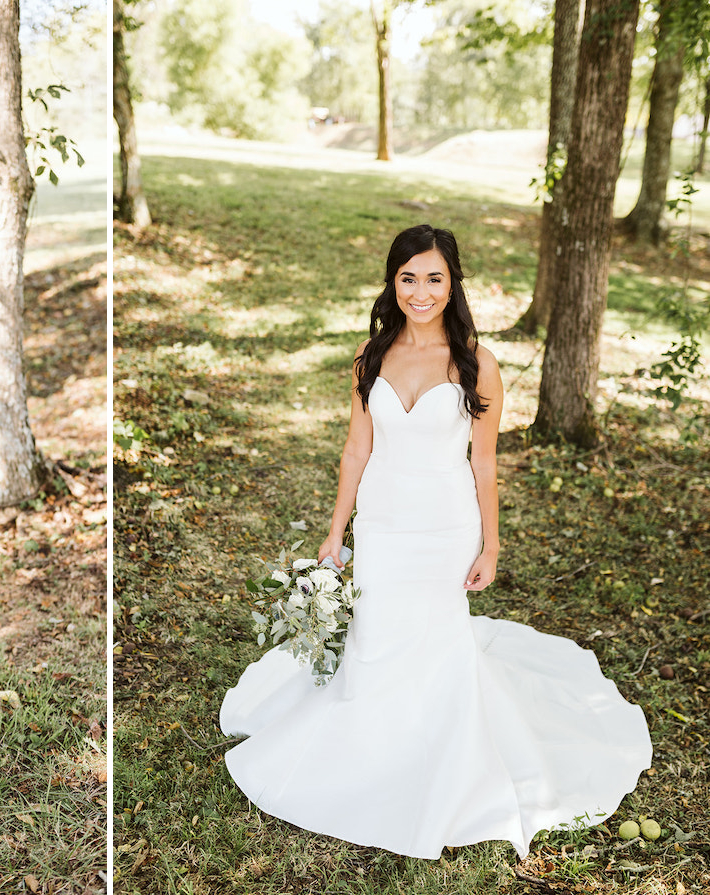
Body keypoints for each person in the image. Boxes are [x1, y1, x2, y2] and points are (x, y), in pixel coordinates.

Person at [219, 224, 652, 859]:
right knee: (373, 636)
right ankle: (370, 742)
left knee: (436, 639)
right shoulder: (371, 356)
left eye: (434, 279)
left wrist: (491, 545)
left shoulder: (477, 364)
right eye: (408, 278)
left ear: (453, 285)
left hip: (446, 526)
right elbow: (357, 447)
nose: (420, 292)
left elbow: (483, 463)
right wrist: (336, 531)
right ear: (392, 283)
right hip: (385, 523)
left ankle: (439, 754)